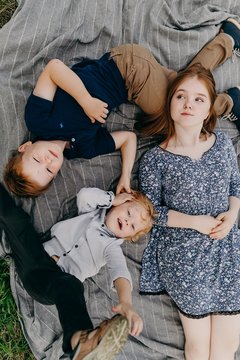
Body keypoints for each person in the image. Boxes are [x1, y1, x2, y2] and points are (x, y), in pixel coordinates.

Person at [4, 18, 240, 198]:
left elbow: (54, 68)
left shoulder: (37, 120)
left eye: (36, 160)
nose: (48, 161)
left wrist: (85, 100)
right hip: (134, 89)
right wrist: (125, 176)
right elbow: (127, 138)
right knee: (183, 93)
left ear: (26, 147)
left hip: (125, 67)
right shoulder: (82, 149)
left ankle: (225, 101)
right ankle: (229, 39)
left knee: (178, 112)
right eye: (48, 172)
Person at [138, 63, 240, 360]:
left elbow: (236, 184)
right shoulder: (155, 160)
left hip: (227, 245)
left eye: (198, 99)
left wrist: (233, 214)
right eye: (181, 96)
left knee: (227, 346)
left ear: (209, 110)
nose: (188, 104)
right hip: (184, 251)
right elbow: (152, 212)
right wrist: (194, 222)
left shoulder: (221, 143)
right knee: (199, 342)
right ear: (170, 102)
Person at [0, 183, 155, 359]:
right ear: (119, 203)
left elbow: (120, 272)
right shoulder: (91, 213)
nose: (128, 221)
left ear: (127, 237)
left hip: (52, 285)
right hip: (35, 256)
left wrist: (126, 302)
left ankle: (81, 342)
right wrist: (112, 198)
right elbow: (84, 195)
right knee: (18, 221)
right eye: (129, 212)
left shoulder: (111, 248)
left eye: (132, 226)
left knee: (71, 285)